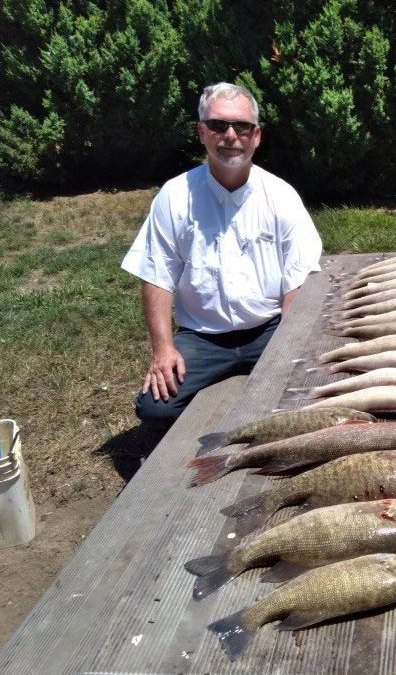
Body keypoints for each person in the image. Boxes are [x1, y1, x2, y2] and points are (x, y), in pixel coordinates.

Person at [121, 82, 322, 429]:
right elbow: (156, 275)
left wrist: (290, 344)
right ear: (202, 132)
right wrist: (163, 349)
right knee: (155, 408)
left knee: (315, 382)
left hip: (268, 327)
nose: (230, 135)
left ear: (256, 135)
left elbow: (298, 276)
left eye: (241, 126)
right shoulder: (174, 196)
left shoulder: (280, 195)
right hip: (202, 336)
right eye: (218, 125)